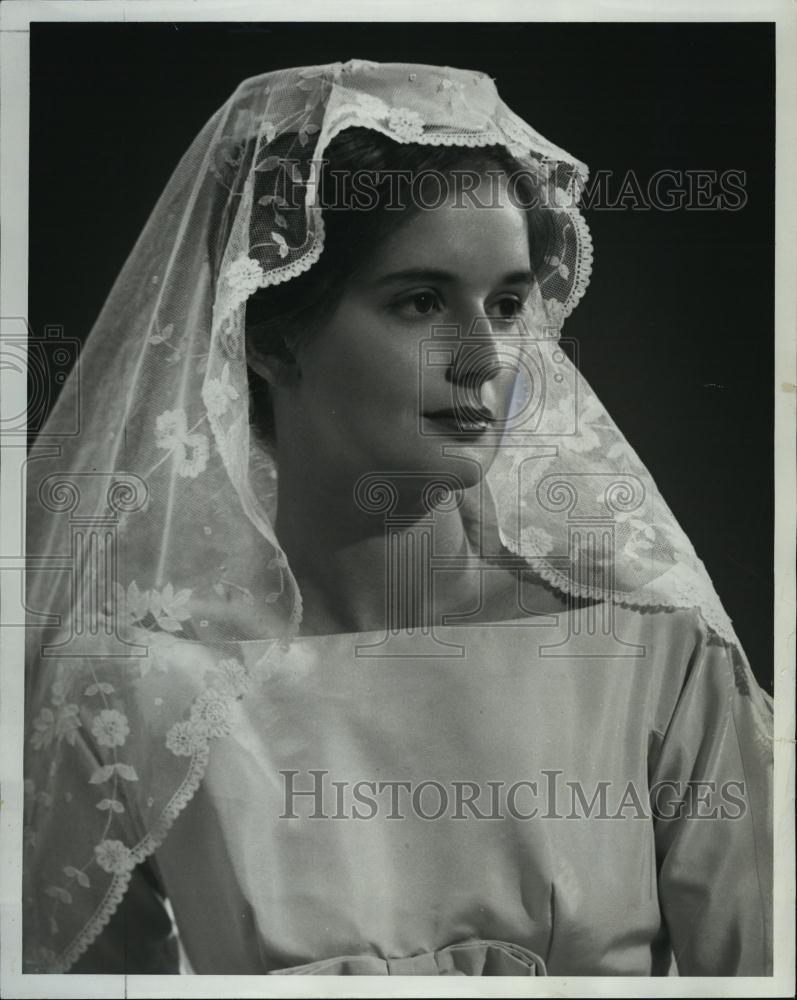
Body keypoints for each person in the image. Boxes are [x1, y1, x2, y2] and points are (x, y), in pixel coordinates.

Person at [23, 60, 773, 977]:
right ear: (264, 332)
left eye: (505, 304)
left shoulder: (649, 656)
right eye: (420, 302)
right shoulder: (129, 692)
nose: (485, 358)